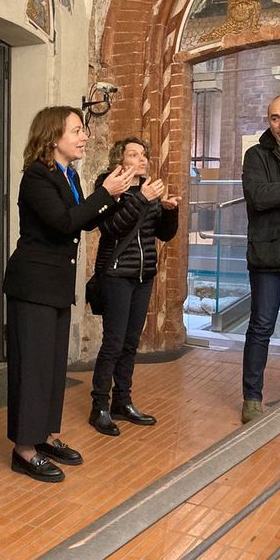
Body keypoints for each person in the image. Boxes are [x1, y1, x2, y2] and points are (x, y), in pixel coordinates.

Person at [2, 106, 136, 482]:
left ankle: (44, 436)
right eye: (77, 130)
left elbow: (85, 220)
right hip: (33, 285)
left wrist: (115, 196)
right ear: (53, 136)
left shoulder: (70, 174)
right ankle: (24, 449)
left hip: (57, 286)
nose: (84, 137)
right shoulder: (36, 177)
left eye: (83, 130)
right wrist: (104, 193)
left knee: (52, 367)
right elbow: (63, 224)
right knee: (33, 367)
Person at [89, 138, 180, 436]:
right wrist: (141, 198)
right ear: (121, 159)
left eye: (144, 154)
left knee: (131, 343)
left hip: (144, 275)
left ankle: (122, 401)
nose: (142, 159)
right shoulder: (109, 186)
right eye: (133, 154)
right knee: (113, 343)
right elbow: (112, 228)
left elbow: (164, 234)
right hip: (116, 275)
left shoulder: (151, 190)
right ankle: (99, 407)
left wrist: (168, 210)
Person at [241, 94, 280, 423]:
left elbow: (271, 193)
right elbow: (258, 197)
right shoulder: (256, 154)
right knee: (260, 327)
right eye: (275, 118)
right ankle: (252, 399)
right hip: (268, 253)